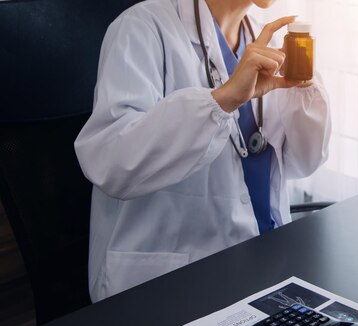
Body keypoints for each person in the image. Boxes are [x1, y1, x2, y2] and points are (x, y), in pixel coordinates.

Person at [74, 0, 331, 302]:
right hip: (168, 290)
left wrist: (305, 94)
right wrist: (221, 101)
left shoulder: (271, 44)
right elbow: (111, 163)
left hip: (267, 274)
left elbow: (303, 162)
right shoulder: (142, 28)